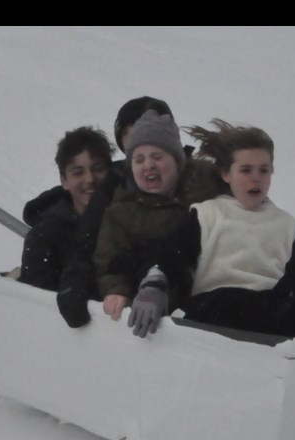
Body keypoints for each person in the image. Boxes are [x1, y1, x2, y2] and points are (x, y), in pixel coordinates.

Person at [123, 118, 295, 358]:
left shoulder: (285, 225)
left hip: (270, 318)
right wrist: (154, 287)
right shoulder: (207, 215)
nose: (256, 178)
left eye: (263, 170)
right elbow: (172, 257)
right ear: (226, 174)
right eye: (246, 170)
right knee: (232, 304)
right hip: (215, 313)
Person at [44, 97, 188, 328]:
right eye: (129, 136)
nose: (147, 159)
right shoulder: (115, 187)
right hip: (137, 288)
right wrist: (76, 282)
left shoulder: (196, 178)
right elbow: (89, 243)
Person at [91, 109, 225, 325]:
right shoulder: (121, 213)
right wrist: (116, 291)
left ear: (177, 161)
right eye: (139, 159)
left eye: (157, 156)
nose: (148, 165)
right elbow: (108, 264)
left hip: (205, 306)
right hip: (150, 312)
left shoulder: (206, 197)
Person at [17, 126, 114, 292]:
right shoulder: (45, 235)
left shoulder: (130, 220)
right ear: (64, 180)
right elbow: (36, 302)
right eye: (78, 172)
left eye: (97, 169)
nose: (89, 179)